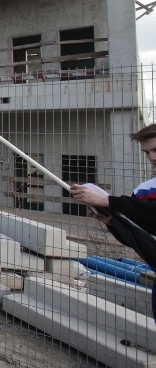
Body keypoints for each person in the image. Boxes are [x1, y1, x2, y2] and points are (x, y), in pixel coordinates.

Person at [70, 123, 156, 321]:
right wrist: (112, 222)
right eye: (146, 152)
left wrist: (107, 201)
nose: (152, 158)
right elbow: (139, 237)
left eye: (155, 150)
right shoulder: (144, 191)